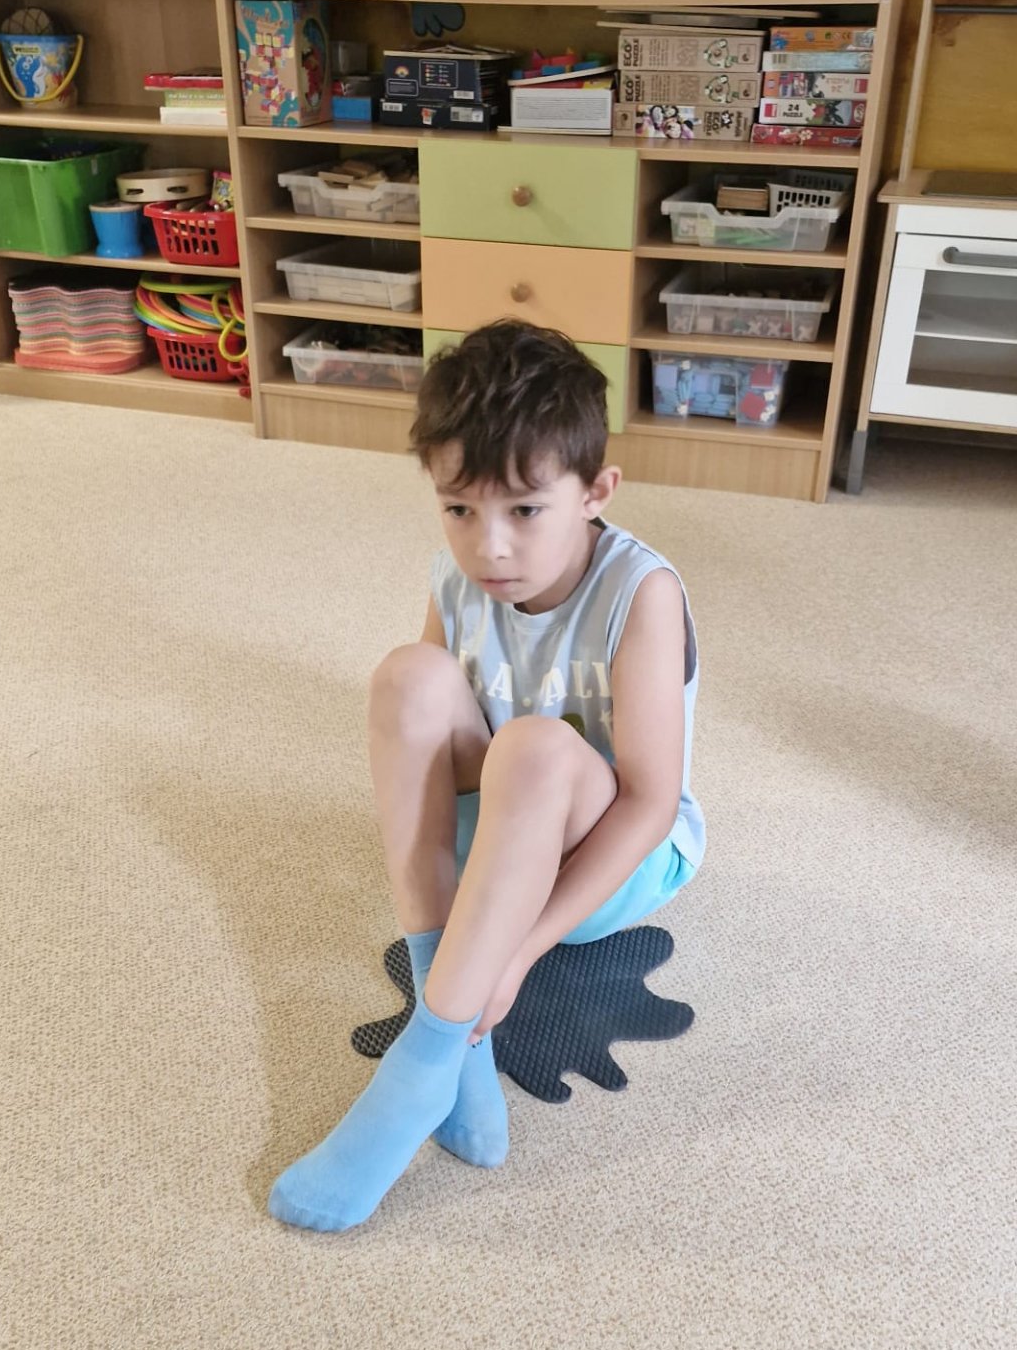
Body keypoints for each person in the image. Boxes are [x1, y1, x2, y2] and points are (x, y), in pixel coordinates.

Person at [268, 321, 705, 1232]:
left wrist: (521, 951)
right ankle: (452, 1022)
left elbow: (650, 803)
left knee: (537, 746)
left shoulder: (643, 593)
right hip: (504, 831)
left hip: (612, 863)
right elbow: (434, 739)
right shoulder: (458, 576)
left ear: (596, 492)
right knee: (409, 677)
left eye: (525, 512)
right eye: (459, 509)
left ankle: (427, 1054)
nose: (489, 547)